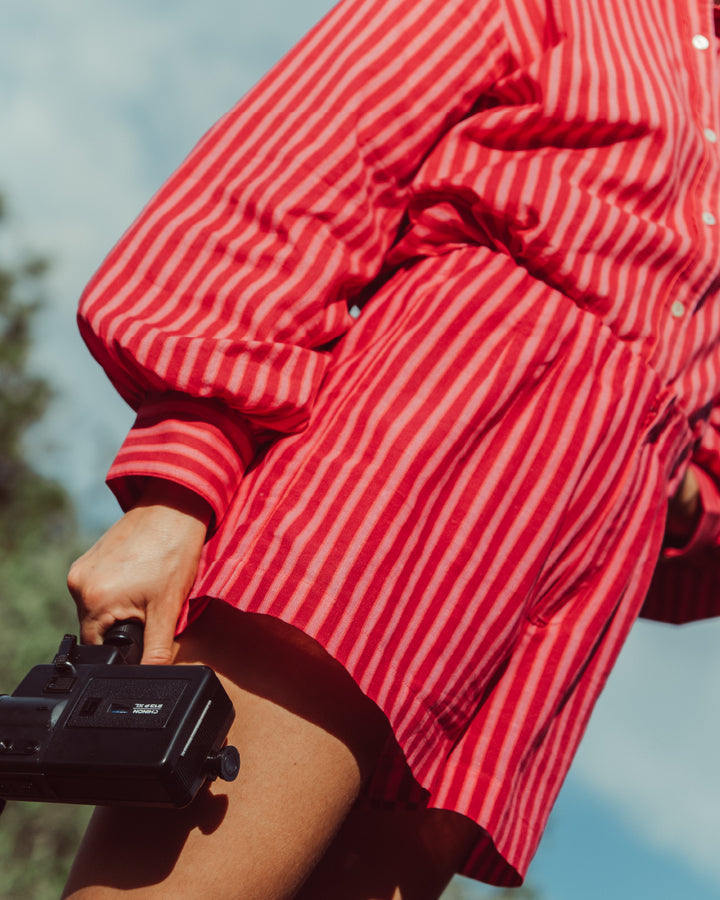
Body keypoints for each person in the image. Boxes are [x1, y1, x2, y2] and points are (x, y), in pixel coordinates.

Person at [62, 0, 720, 896]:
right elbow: (309, 167)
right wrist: (180, 482)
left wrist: (680, 482)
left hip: (557, 600)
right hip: (400, 475)